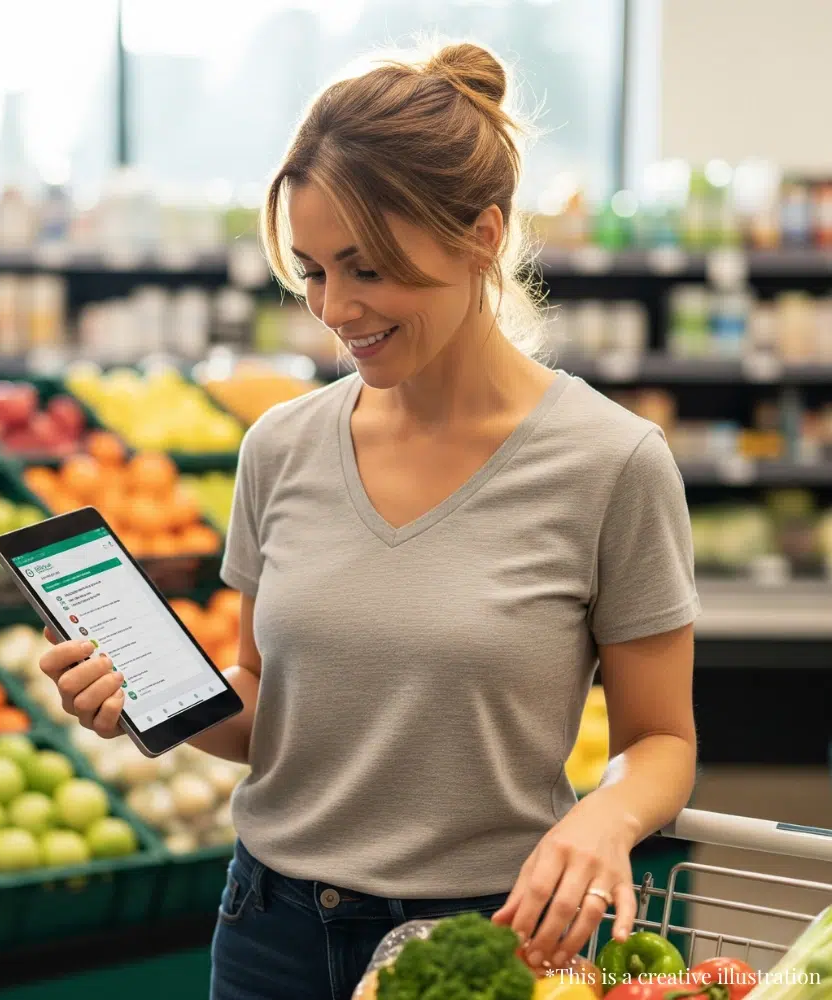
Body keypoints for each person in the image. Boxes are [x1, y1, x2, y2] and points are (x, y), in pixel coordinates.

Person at [38, 40, 700, 1000]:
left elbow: (662, 742)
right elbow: (267, 709)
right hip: (269, 931)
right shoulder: (279, 447)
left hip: (486, 938)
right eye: (309, 271)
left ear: (482, 235)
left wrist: (605, 817)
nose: (335, 310)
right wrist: (147, 696)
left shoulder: (612, 462)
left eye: (369, 269)